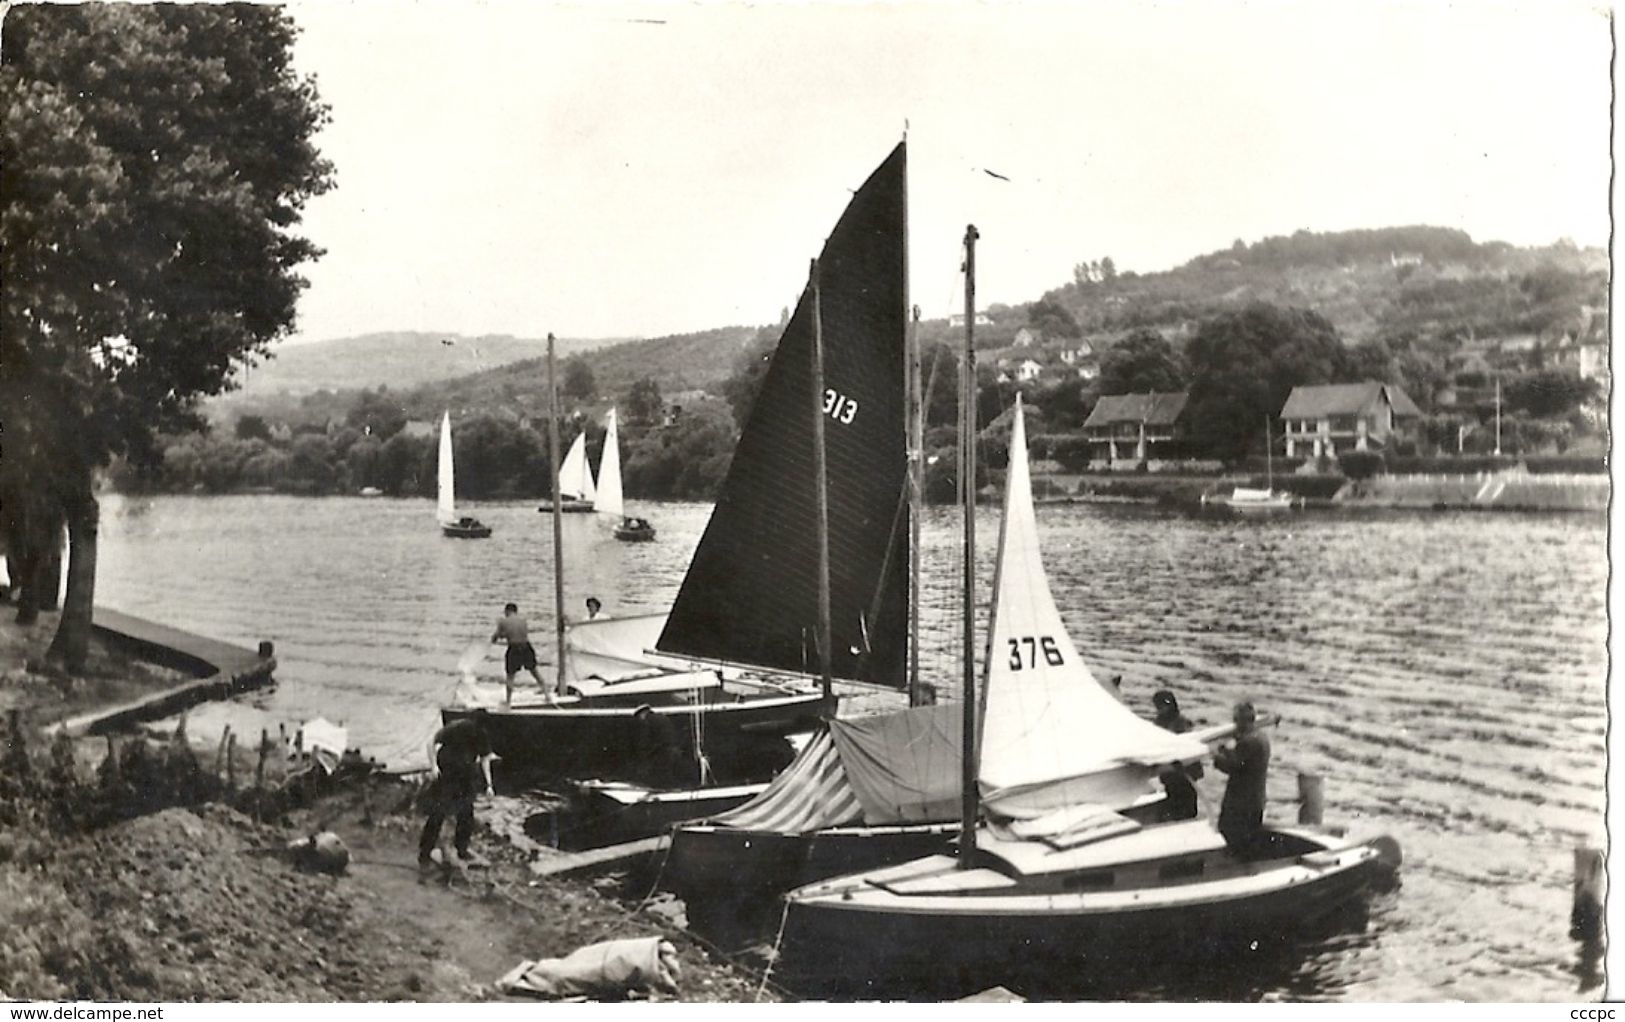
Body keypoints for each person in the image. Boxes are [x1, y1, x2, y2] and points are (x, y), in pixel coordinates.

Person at [419, 710, 495, 868]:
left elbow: (485, 759)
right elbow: (430, 743)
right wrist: (433, 767)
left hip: (465, 775)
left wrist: (489, 785)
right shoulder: (456, 727)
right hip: (447, 773)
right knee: (438, 812)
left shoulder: (483, 734)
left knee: (466, 812)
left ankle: (462, 848)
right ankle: (425, 853)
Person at [1213, 700, 1271, 856]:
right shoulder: (1261, 737)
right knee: (1248, 838)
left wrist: (1217, 756)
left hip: (1241, 803)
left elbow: (1233, 766)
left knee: (1233, 836)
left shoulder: (1248, 742)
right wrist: (1226, 750)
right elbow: (1244, 762)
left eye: (1236, 720)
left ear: (1242, 721)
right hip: (1254, 799)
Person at [1152, 689, 1201, 822]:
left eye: (1162, 706)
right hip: (1169, 775)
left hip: (1184, 776)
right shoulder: (1158, 723)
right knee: (1173, 804)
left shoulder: (1182, 724)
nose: (1159, 710)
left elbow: (1190, 750)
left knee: (1186, 808)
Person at [493, 602, 546, 702]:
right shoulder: (523, 621)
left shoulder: (503, 621)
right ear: (516, 611)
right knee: (535, 672)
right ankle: (547, 695)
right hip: (526, 646)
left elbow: (497, 636)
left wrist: (497, 635)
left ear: (507, 611)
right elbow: (521, 633)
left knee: (510, 676)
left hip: (514, 648)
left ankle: (508, 700)